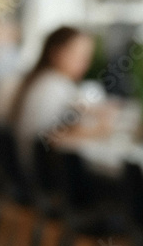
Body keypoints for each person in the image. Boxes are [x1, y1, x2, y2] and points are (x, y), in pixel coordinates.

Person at [7, 25, 116, 172]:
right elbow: (53, 138)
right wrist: (99, 130)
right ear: (56, 53)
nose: (85, 63)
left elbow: (77, 112)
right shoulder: (55, 84)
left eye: (87, 57)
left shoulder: (41, 79)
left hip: (26, 170)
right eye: (78, 55)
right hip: (42, 175)